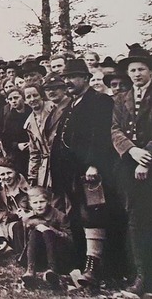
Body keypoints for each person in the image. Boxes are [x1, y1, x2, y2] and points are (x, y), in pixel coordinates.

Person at [111, 44, 152, 297]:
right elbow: (115, 130)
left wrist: (145, 157)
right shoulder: (121, 99)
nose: (137, 74)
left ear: (151, 70)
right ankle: (142, 277)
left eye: (141, 69)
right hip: (129, 168)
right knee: (136, 222)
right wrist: (131, 151)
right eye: (133, 70)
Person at [52, 58, 115, 286]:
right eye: (65, 78)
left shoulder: (100, 101)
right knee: (78, 218)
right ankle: (79, 268)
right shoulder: (72, 104)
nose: (67, 82)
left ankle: (96, 269)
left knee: (94, 216)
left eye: (72, 77)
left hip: (91, 172)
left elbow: (101, 136)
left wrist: (94, 164)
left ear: (86, 78)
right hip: (72, 173)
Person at [21, 186, 72, 289]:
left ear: (48, 201)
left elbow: (69, 239)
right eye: (35, 203)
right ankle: (30, 269)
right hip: (40, 255)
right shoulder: (28, 218)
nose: (39, 206)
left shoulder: (60, 216)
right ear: (30, 204)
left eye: (42, 202)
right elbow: (26, 240)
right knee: (35, 233)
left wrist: (49, 229)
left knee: (47, 233)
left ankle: (52, 270)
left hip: (59, 255)